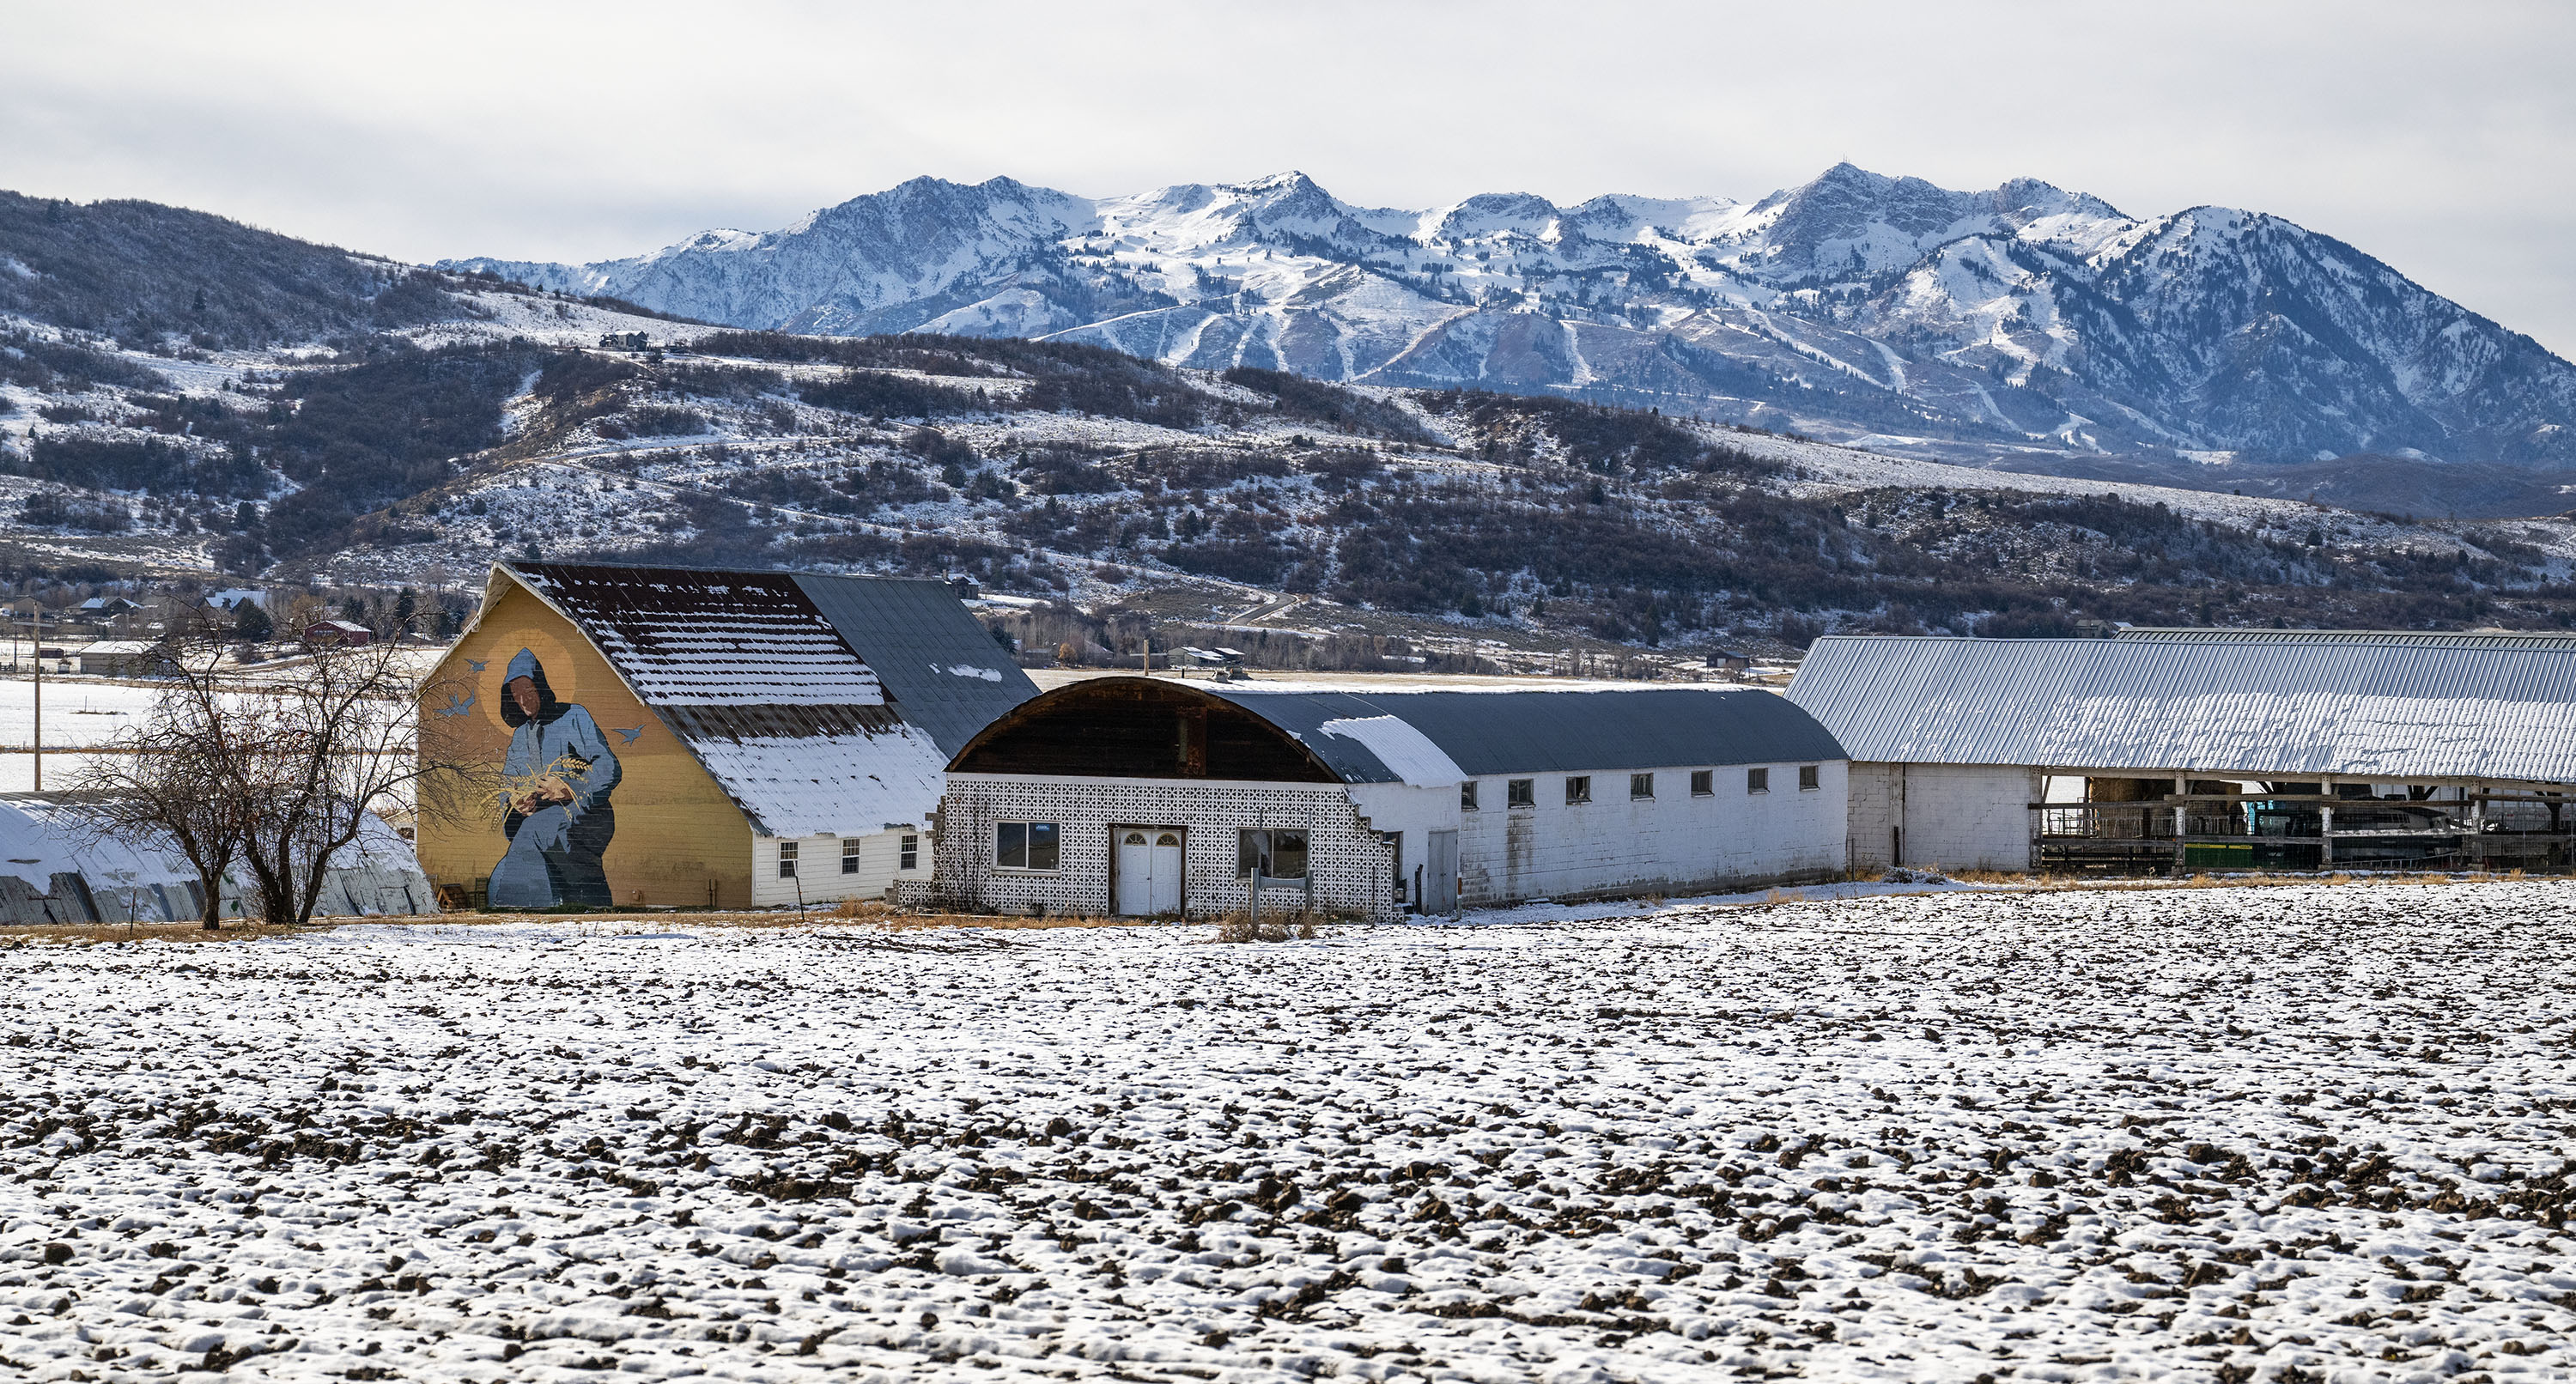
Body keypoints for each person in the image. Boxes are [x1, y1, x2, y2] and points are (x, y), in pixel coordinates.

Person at [487, 648, 620, 907]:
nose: (523, 700)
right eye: (516, 695)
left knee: (533, 834)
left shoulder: (574, 716)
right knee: (506, 870)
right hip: (540, 821)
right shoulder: (519, 737)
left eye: (528, 691)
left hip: (585, 815)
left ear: (541, 686)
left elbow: (609, 766)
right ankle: (574, 905)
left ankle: (532, 911)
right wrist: (515, 802)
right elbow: (507, 785)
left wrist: (571, 788)